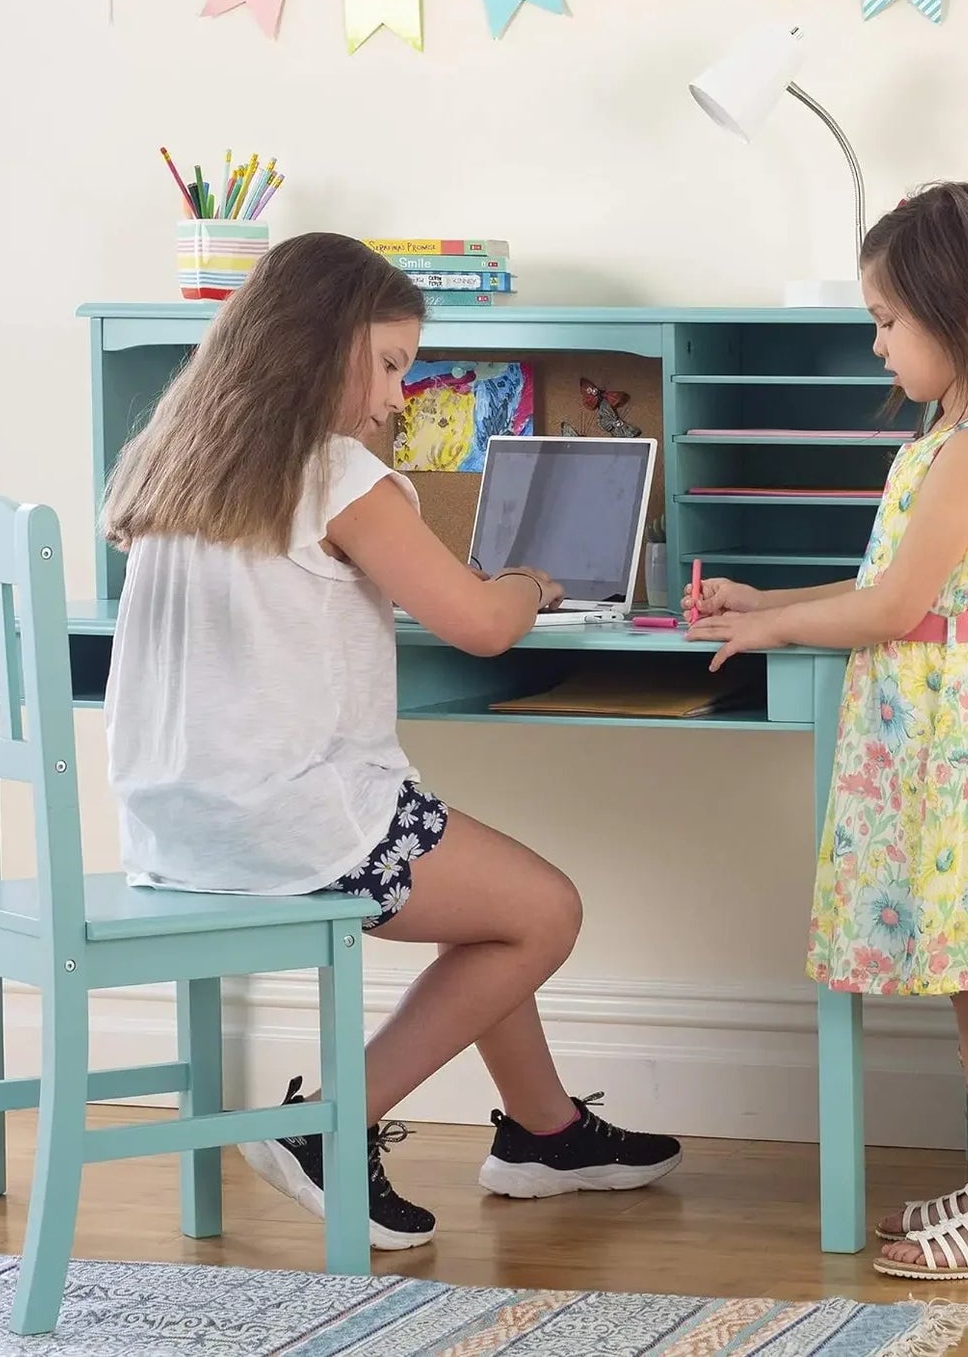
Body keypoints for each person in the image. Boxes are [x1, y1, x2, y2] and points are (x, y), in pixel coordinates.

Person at [102, 231, 681, 1250]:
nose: (394, 395)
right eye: (388, 362)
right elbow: (483, 626)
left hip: (175, 824)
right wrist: (537, 581)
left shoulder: (169, 460)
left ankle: (545, 1131)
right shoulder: (338, 474)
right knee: (540, 912)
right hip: (293, 819)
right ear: (315, 342)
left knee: (482, 892)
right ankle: (331, 1123)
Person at [684, 183, 968, 1279]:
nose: (874, 344)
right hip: (933, 733)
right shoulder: (942, 438)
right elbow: (886, 584)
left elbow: (881, 612)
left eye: (885, 319)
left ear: (956, 313)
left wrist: (774, 632)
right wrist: (759, 603)